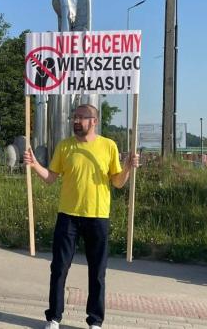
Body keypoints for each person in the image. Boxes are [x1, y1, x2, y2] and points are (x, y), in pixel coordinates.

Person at [23, 104, 139, 329]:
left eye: (81, 118)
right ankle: (54, 318)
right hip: (68, 216)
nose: (76, 121)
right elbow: (50, 178)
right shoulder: (65, 147)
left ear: (93, 121)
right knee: (59, 268)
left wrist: (127, 168)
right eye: (74, 117)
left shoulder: (108, 146)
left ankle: (95, 321)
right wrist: (34, 164)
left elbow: (117, 182)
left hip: (98, 217)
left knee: (97, 272)